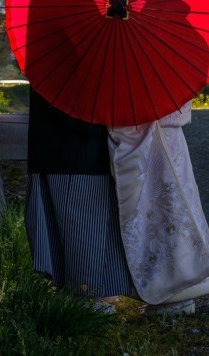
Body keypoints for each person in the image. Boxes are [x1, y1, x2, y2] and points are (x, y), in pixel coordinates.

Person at [108, 100, 209, 314]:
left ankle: (173, 293)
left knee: (159, 210)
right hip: (165, 127)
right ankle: (180, 290)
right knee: (173, 207)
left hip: (144, 128)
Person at [25, 88, 134, 311]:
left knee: (97, 226)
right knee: (81, 228)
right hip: (70, 149)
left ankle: (98, 288)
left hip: (76, 146)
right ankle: (83, 294)